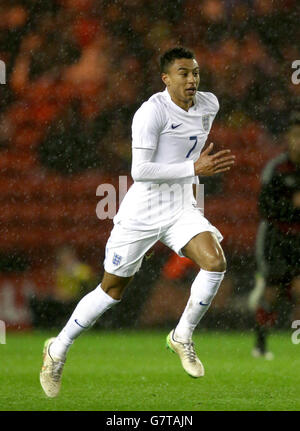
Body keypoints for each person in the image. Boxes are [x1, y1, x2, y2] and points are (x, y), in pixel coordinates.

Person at [40, 47, 235, 397]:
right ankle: (58, 348)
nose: (192, 79)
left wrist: (190, 181)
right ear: (165, 78)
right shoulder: (150, 113)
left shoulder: (210, 105)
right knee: (111, 291)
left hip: (180, 208)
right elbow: (140, 172)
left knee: (215, 261)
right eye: (183, 73)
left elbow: (185, 150)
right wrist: (194, 169)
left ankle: (182, 336)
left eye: (195, 72)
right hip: (142, 212)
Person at [249, 114, 300, 359]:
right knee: (272, 290)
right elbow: (265, 208)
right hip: (276, 239)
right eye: (296, 135)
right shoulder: (277, 169)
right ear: (288, 139)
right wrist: (292, 206)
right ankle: (260, 344)